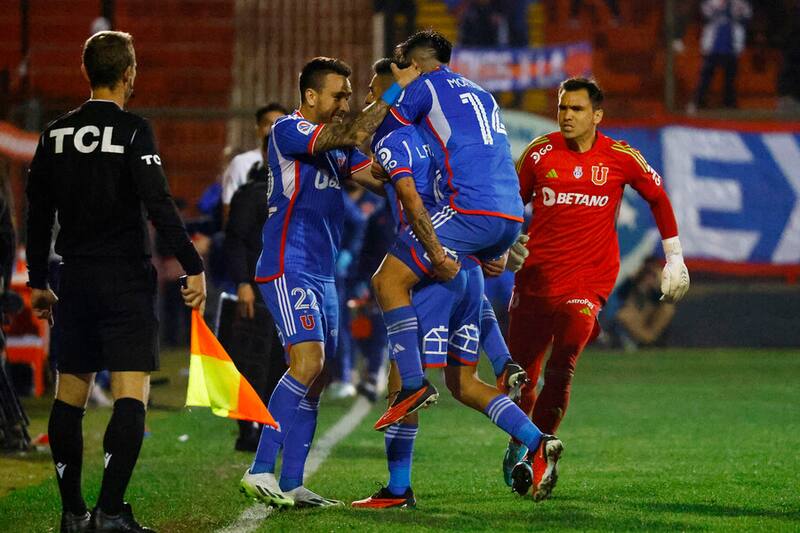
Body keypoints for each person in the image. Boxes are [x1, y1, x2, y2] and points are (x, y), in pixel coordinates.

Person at [352, 58, 559, 508]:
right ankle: (537, 439)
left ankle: (398, 488)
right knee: (465, 383)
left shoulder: (397, 136)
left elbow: (399, 188)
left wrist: (434, 253)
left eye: (373, 89)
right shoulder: (434, 139)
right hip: (467, 266)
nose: (368, 97)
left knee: (400, 378)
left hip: (434, 264)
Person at [25, 31, 206, 533]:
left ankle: (72, 513)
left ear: (86, 72)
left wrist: (38, 279)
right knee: (130, 392)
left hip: (75, 276)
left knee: (70, 393)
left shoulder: (54, 133)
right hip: (125, 277)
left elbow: (37, 213)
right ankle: (109, 511)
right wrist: (192, 264)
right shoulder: (132, 130)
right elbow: (158, 202)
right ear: (129, 73)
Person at [238, 55, 419, 509]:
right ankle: (259, 468)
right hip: (289, 263)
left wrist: (417, 166)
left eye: (348, 96)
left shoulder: (337, 148)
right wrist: (392, 91)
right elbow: (350, 133)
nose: (344, 104)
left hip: (324, 272)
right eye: (338, 96)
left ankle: (292, 482)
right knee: (307, 362)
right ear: (311, 95)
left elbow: (379, 178)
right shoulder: (289, 130)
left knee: (317, 376)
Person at [504, 77, 690, 495]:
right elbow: (511, 204)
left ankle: (537, 455)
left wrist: (674, 256)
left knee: (562, 364)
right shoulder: (539, 153)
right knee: (522, 379)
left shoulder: (620, 156)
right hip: (536, 279)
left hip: (588, 283)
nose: (567, 116)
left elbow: (658, 197)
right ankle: (518, 441)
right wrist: (508, 242)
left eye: (577, 109)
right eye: (562, 108)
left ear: (597, 115)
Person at [370, 30, 524, 431]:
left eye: (401, 63)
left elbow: (380, 129)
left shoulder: (422, 89)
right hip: (507, 214)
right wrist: (499, 244)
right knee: (465, 378)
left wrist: (393, 90)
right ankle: (506, 368)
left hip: (464, 211)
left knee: (388, 282)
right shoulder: (482, 94)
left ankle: (413, 387)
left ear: (413, 65)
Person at [223, 133, 286, 452]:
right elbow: (235, 240)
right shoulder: (253, 193)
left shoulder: (291, 191)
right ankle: (248, 429)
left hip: (283, 289)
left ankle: (269, 426)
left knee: (278, 362)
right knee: (252, 362)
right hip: (257, 290)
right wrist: (243, 283)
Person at [220, 103, 288, 220]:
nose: (273, 129)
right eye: (268, 124)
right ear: (258, 130)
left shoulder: (300, 162)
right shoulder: (242, 163)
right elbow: (228, 207)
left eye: (280, 124)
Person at [689, 0, 752, 111]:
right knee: (705, 76)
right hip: (712, 46)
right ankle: (698, 101)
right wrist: (719, 7)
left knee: (730, 78)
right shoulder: (712, 2)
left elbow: (747, 15)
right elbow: (704, 13)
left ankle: (729, 103)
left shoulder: (740, 3)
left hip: (732, 46)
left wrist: (736, 11)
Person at [612, 256, 676, 351]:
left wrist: (659, 284)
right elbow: (621, 296)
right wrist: (635, 280)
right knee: (624, 314)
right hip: (637, 316)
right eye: (647, 271)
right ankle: (648, 341)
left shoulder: (660, 285)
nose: (649, 276)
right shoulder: (634, 282)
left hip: (653, 317)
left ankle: (649, 340)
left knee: (668, 308)